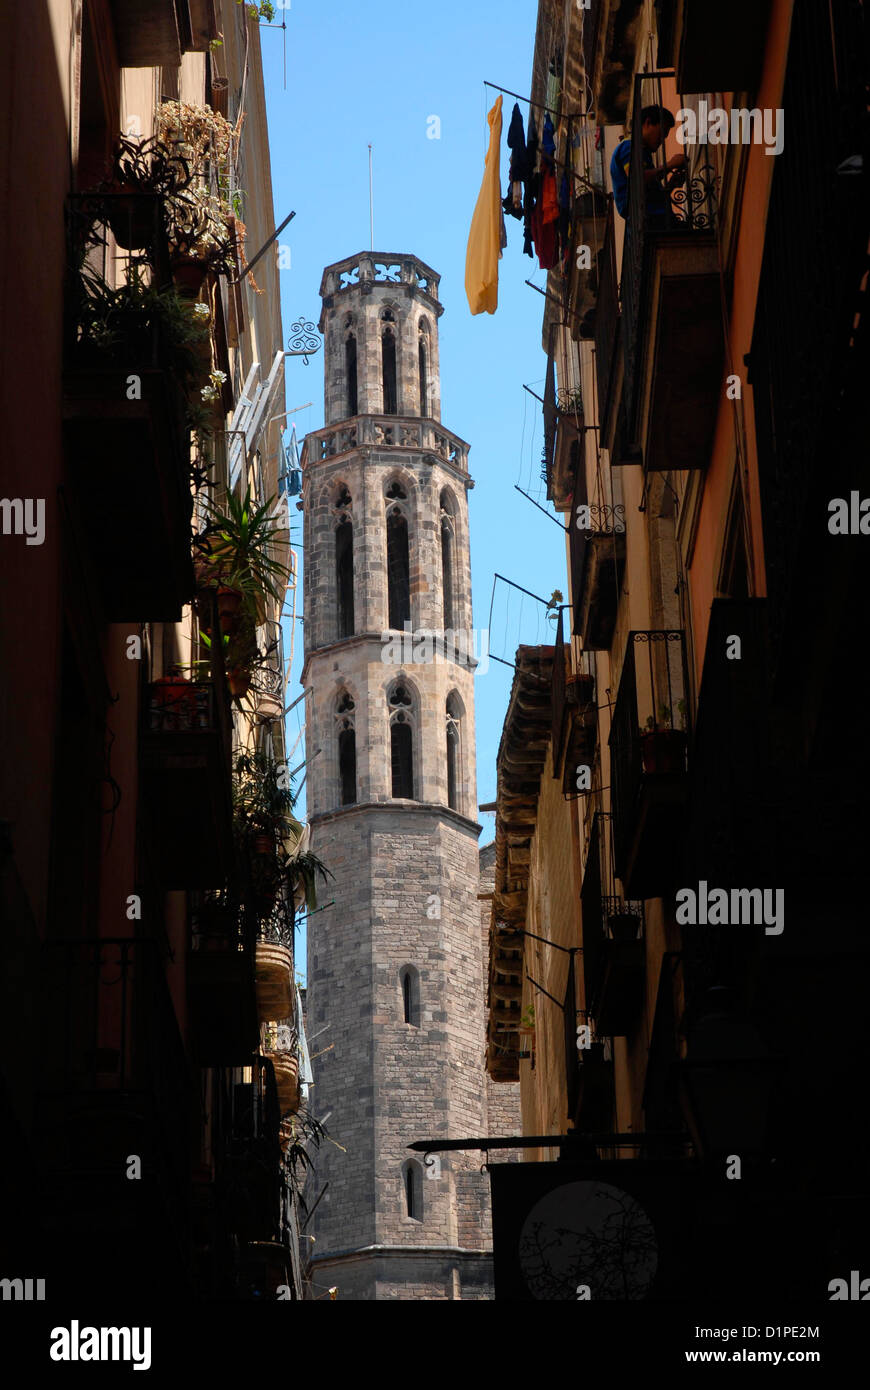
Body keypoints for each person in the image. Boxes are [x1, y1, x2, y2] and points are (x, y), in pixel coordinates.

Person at [610, 105, 686, 226]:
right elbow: (637, 178)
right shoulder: (628, 147)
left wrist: (671, 184)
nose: (662, 140)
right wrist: (670, 165)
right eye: (662, 133)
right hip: (648, 222)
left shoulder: (643, 153)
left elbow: (649, 193)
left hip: (653, 219)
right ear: (648, 123)